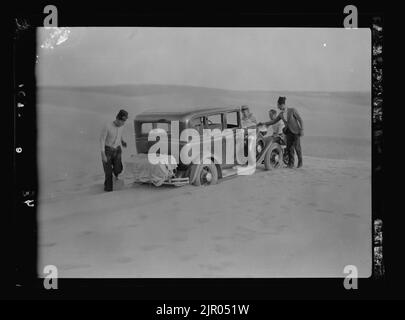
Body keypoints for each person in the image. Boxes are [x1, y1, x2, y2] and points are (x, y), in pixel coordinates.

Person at [258, 97, 303, 168]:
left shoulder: (292, 110)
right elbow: (273, 121)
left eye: (278, 105)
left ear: (282, 104)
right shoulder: (281, 114)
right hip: (288, 132)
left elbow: (300, 119)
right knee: (289, 148)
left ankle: (300, 163)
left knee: (297, 148)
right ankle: (291, 164)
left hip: (296, 131)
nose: (277, 107)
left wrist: (301, 130)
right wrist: (264, 123)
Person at [100, 109, 128, 191]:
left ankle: (116, 173)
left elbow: (120, 134)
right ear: (117, 118)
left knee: (118, 169)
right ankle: (108, 191)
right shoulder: (107, 126)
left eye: (124, 122)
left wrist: (122, 141)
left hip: (118, 150)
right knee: (108, 173)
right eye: (121, 121)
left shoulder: (122, 126)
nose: (122, 123)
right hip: (107, 150)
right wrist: (103, 154)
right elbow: (102, 140)